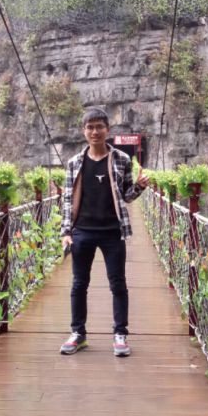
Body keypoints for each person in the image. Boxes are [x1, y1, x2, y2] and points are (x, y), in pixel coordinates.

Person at [60, 107, 149, 357]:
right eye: (90, 127)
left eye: (99, 127)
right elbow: (67, 200)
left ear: (107, 130)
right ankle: (78, 333)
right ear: (84, 131)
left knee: (118, 283)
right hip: (82, 231)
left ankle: (120, 334)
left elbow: (126, 196)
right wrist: (66, 232)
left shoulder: (121, 159)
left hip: (112, 231)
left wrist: (139, 187)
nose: (95, 132)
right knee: (79, 284)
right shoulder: (74, 163)